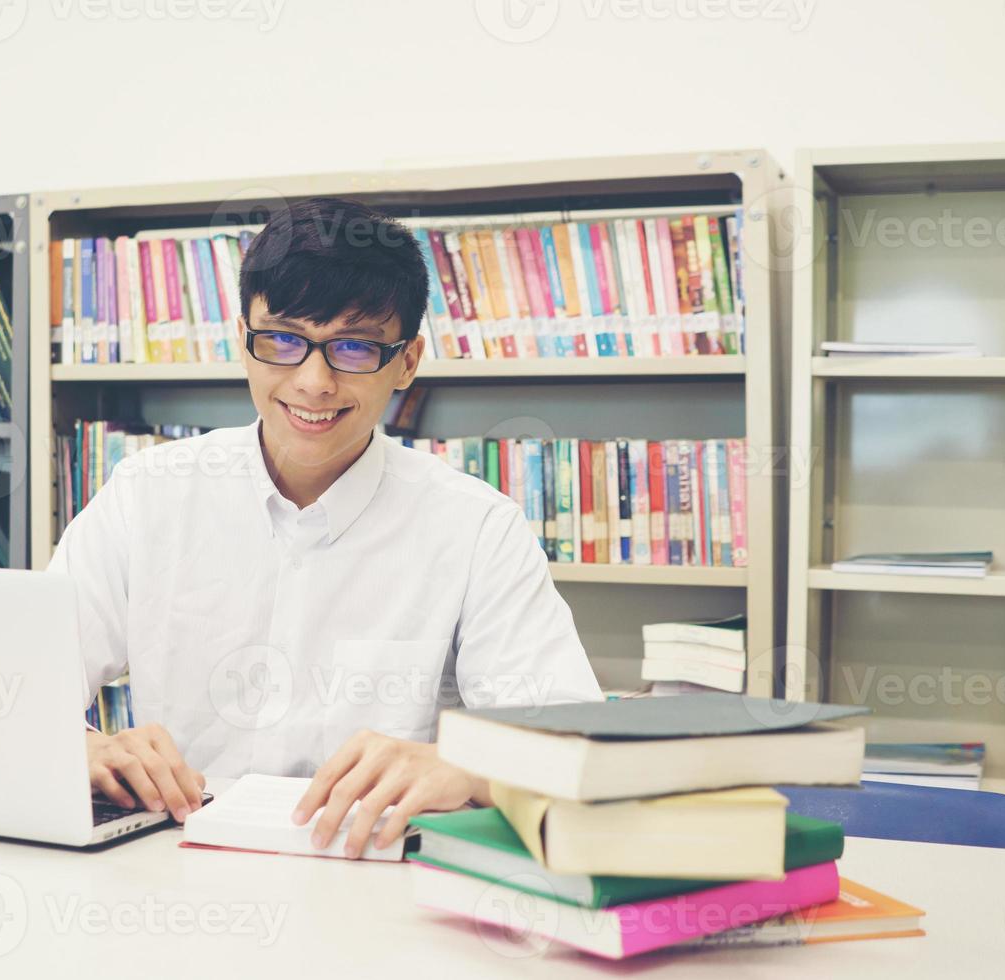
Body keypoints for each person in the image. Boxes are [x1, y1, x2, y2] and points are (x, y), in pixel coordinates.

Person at [48, 197, 601, 858]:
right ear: (243, 341)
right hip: (168, 867)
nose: (313, 382)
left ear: (407, 360)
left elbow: (571, 744)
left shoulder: (477, 528)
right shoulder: (147, 497)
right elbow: (13, 690)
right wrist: (84, 746)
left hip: (374, 885)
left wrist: (469, 770)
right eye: (282, 339)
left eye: (354, 347)